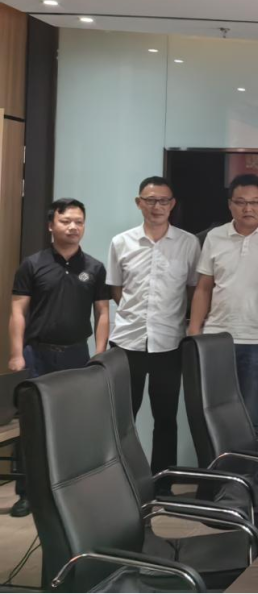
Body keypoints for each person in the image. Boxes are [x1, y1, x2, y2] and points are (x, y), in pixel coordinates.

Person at [8, 198, 109, 517]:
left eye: (79, 221)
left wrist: (100, 353)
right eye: (66, 221)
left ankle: (70, 489)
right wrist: (16, 354)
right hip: (36, 355)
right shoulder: (32, 265)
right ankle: (27, 493)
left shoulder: (94, 267)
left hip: (76, 354)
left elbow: (102, 313)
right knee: (31, 424)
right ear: (51, 225)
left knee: (73, 423)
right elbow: (17, 312)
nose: (73, 227)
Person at [188, 174, 258, 446]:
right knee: (215, 416)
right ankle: (221, 472)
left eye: (255, 202)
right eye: (241, 202)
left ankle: (254, 473)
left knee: (253, 416)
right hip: (216, 340)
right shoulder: (215, 237)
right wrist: (194, 331)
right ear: (230, 204)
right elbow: (203, 288)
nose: (248, 208)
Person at [106, 177, 200, 476]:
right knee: (123, 419)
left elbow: (192, 289)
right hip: (127, 343)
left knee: (166, 417)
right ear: (139, 203)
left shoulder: (188, 243)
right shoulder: (121, 242)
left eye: (163, 201)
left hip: (169, 343)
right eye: (150, 200)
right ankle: (124, 480)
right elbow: (117, 289)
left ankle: (163, 480)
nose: (156, 206)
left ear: (172, 204)